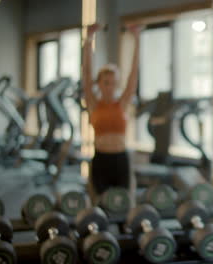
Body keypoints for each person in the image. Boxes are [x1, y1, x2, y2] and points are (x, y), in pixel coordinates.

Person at [82, 23, 141, 201]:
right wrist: (88, 39)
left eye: (113, 82)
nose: (109, 86)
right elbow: (86, 73)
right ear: (98, 83)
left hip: (121, 159)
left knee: (124, 206)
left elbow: (133, 76)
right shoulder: (93, 103)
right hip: (100, 159)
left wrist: (137, 39)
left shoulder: (122, 104)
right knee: (100, 207)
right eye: (106, 82)